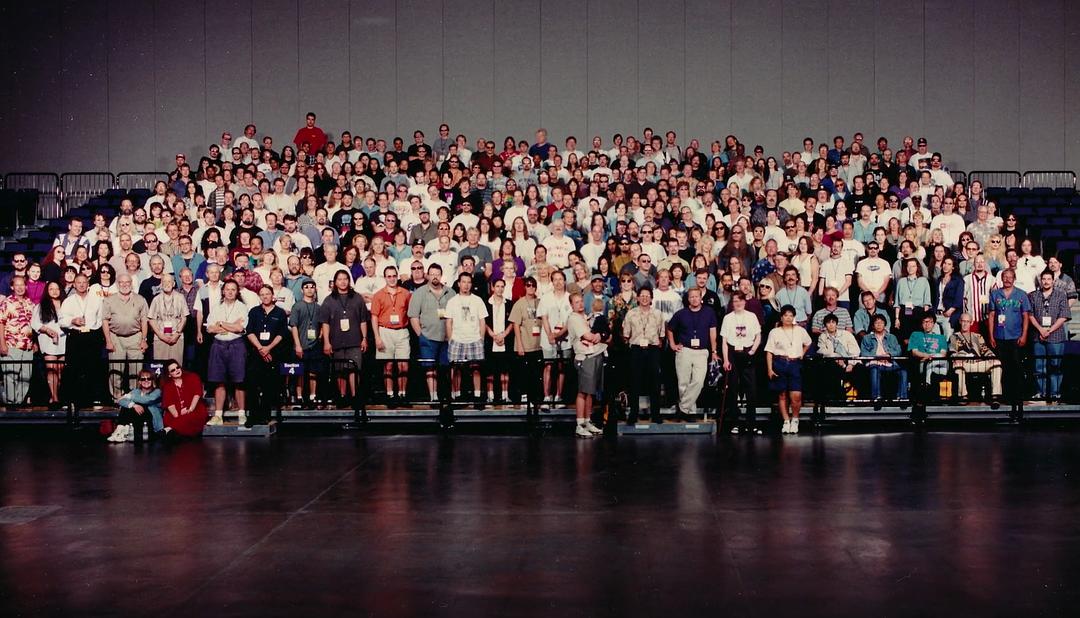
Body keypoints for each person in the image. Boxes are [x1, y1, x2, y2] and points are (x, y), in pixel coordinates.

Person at [666, 287, 718, 422]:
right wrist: (672, 344)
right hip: (685, 350)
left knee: (698, 382)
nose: (694, 299)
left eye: (697, 296)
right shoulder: (681, 314)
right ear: (688, 299)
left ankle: (682, 409)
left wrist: (714, 351)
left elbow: (713, 333)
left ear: (701, 297)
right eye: (691, 297)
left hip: (702, 351)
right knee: (683, 383)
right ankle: (690, 412)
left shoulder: (709, 312)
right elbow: (670, 329)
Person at [320, 270, 370, 404]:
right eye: (339, 279)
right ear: (335, 283)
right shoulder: (329, 300)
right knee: (340, 370)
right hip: (336, 340)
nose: (342, 282)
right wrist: (326, 342)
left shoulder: (357, 298)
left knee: (354, 369)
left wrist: (364, 338)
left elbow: (363, 320)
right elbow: (325, 323)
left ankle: (354, 397)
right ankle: (342, 396)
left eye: (345, 279)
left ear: (349, 281)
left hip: (354, 339)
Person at [408, 264, 455, 402]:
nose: (435, 277)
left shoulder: (450, 292)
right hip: (428, 337)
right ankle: (433, 396)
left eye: (437, 274)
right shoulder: (419, 293)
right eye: (432, 274)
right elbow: (413, 317)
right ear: (427, 275)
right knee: (430, 368)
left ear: (441, 276)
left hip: (447, 338)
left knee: (448, 368)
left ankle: (451, 395)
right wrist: (420, 335)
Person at [58, 274, 107, 407]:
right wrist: (72, 321)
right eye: (78, 282)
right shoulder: (68, 301)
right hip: (75, 336)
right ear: (74, 284)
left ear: (88, 284)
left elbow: (100, 318)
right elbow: (61, 321)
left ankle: (93, 399)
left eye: (84, 282)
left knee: (93, 367)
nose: (81, 285)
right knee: (73, 368)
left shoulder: (96, 300)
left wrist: (94, 329)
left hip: (92, 336)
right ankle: (70, 400)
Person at [206, 279, 249, 426]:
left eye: (233, 289)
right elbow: (210, 328)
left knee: (239, 381)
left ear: (237, 292)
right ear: (223, 291)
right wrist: (231, 325)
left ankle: (242, 414)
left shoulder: (242, 307)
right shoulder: (216, 308)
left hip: (236, 345)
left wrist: (221, 323)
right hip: (218, 345)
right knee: (219, 382)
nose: (230, 292)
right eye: (227, 289)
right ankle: (218, 415)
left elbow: (240, 328)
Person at [987, 268, 1031, 408]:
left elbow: (1025, 316)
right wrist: (991, 336)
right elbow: (992, 316)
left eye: (1010, 277)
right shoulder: (995, 294)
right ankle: (1005, 396)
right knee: (1003, 367)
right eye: (1004, 276)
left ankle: (1017, 396)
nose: (1007, 279)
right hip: (1000, 336)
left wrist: (1024, 335)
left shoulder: (1022, 295)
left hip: (1016, 336)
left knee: (1016, 367)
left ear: (1014, 278)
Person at [765, 305, 811, 434]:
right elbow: (769, 352)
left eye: (791, 315)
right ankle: (786, 421)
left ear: (794, 317)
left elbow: (808, 342)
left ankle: (795, 419)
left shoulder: (800, 330)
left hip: (795, 363)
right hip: (779, 362)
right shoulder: (775, 332)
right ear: (781, 317)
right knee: (782, 394)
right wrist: (769, 369)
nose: (788, 318)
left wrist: (802, 353)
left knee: (796, 395)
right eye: (786, 315)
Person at [101, 273, 150, 399]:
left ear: (131, 284)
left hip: (135, 336)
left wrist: (144, 339)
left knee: (137, 370)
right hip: (115, 337)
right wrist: (108, 340)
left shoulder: (140, 299)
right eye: (121, 282)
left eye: (127, 282)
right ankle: (117, 397)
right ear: (117, 284)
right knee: (116, 371)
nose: (124, 285)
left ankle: (136, 397)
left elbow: (144, 320)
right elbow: (105, 321)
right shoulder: (109, 300)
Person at [246, 285, 289, 425]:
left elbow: (282, 334)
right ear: (259, 296)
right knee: (252, 385)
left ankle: (265, 415)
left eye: (267, 294)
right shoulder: (254, 312)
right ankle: (252, 416)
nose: (265, 296)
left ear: (272, 296)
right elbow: (250, 331)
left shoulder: (280, 313)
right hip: (256, 353)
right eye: (262, 294)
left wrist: (268, 348)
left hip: (273, 353)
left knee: (269, 386)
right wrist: (260, 348)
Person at [622, 287, 665, 425]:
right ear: (638, 298)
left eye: (648, 296)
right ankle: (633, 413)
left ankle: (656, 414)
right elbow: (626, 335)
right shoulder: (631, 313)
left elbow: (661, 335)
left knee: (655, 383)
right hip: (636, 350)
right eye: (642, 295)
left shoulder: (658, 314)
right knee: (635, 382)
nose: (645, 298)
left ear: (651, 298)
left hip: (653, 350)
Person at [720, 291, 762, 434]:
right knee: (732, 390)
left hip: (747, 352)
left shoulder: (751, 317)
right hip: (733, 354)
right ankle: (735, 423)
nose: (738, 303)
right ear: (732, 303)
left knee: (751, 391)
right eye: (735, 301)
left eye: (740, 300)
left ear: (745, 302)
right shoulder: (727, 318)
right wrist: (726, 360)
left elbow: (758, 336)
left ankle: (752, 424)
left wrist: (752, 351)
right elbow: (724, 341)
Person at [566, 292, 607, 437]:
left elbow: (601, 335)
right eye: (576, 302)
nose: (580, 304)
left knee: (591, 391)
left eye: (581, 301)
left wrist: (601, 335)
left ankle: (588, 421)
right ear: (571, 305)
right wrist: (599, 336)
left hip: (595, 354)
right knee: (583, 391)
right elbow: (589, 336)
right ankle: (580, 424)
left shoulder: (587, 316)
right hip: (584, 357)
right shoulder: (574, 319)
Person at [370, 265, 412, 403]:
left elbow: (410, 313)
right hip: (385, 331)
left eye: (394, 276)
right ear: (385, 278)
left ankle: (402, 393)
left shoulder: (406, 293)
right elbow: (374, 317)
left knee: (403, 364)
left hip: (402, 331)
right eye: (389, 276)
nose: (392, 279)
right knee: (387, 365)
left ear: (397, 276)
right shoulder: (378, 295)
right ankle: (389, 394)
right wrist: (377, 337)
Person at [445, 271, 488, 401]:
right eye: (463, 282)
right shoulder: (452, 301)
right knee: (455, 369)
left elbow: (482, 321)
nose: (466, 285)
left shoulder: (477, 300)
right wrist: (450, 339)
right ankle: (456, 395)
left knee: (476, 369)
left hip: (474, 339)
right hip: (457, 339)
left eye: (469, 282)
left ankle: (477, 395)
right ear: (458, 284)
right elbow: (448, 322)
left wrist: (481, 339)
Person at [1027, 270, 1069, 401]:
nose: (1046, 281)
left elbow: (1064, 316)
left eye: (1048, 279)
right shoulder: (1033, 296)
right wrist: (1040, 330)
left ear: (1053, 280)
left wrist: (1049, 330)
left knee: (1055, 365)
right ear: (1040, 280)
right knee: (1039, 365)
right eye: (1043, 279)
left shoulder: (1061, 295)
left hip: (1056, 336)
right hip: (1038, 336)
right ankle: (1041, 392)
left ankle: (1055, 393)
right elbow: (1030, 315)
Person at [950, 313, 1002, 403]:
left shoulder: (978, 336)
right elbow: (953, 351)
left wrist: (992, 357)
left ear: (971, 323)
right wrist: (956, 358)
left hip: (978, 362)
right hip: (964, 363)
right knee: (957, 367)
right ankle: (963, 396)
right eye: (963, 321)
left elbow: (985, 349)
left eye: (967, 321)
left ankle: (995, 396)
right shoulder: (954, 336)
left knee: (997, 363)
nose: (965, 324)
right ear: (960, 322)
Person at [859, 314, 909, 409]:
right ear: (873, 325)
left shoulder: (892, 337)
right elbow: (864, 353)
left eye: (881, 323)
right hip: (874, 363)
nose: (879, 325)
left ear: (885, 325)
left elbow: (898, 350)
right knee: (874, 369)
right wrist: (877, 357)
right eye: (876, 323)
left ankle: (902, 398)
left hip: (889, 363)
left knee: (903, 371)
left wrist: (888, 355)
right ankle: (876, 398)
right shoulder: (867, 338)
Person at [510, 277, 543, 411]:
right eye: (528, 285)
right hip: (524, 344)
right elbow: (516, 325)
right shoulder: (519, 303)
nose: (531, 287)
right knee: (523, 374)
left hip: (537, 344)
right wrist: (520, 345)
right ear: (525, 287)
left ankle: (534, 398)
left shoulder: (540, 302)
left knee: (536, 375)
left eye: (533, 285)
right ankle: (523, 397)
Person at [0, 276, 35, 405]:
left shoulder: (30, 303)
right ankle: (10, 403)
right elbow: (1, 323)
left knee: (25, 377)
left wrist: (34, 343)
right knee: (10, 376)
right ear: (12, 287)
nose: (20, 288)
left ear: (26, 287)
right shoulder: (6, 303)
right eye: (17, 285)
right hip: (11, 345)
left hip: (27, 346)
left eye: (22, 285)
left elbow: (33, 325)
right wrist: (2, 344)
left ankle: (19, 402)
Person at [288, 280, 324, 404]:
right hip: (301, 344)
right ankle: (299, 396)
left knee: (314, 372)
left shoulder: (318, 307)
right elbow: (293, 326)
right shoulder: (297, 306)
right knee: (300, 372)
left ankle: (312, 396)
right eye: (306, 287)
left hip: (314, 344)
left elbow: (323, 324)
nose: (309, 289)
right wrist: (297, 345)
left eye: (312, 287)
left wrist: (320, 335)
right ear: (302, 290)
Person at [32, 282, 67, 406]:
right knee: (51, 369)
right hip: (48, 341)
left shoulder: (66, 304)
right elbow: (35, 324)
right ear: (47, 291)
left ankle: (58, 394)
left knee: (61, 370)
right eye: (51, 289)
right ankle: (54, 397)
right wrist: (47, 330)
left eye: (57, 288)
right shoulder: (40, 306)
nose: (54, 291)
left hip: (64, 341)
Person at [105, 369, 164, 443]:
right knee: (128, 406)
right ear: (139, 381)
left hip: (150, 422)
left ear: (152, 381)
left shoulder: (157, 391)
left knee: (140, 404)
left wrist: (128, 396)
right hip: (137, 419)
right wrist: (134, 405)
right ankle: (120, 430)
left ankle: (123, 431)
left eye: (149, 378)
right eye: (143, 379)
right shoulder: (136, 391)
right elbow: (121, 401)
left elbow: (147, 400)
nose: (146, 381)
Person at [160, 359, 210, 438]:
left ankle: (169, 429)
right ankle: (174, 432)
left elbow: (197, 394)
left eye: (177, 367)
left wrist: (190, 409)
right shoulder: (167, 386)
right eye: (173, 370)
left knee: (191, 417)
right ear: (169, 374)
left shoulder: (193, 377)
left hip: (194, 409)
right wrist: (179, 414)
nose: (177, 370)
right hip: (176, 413)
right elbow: (170, 405)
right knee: (171, 419)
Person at [483, 278, 514, 403]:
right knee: (490, 369)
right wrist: (493, 335)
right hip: (491, 340)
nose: (500, 289)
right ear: (492, 287)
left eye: (502, 286)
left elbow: (512, 321)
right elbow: (483, 321)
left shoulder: (509, 304)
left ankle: (505, 395)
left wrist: (503, 335)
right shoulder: (486, 303)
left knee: (505, 369)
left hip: (505, 339)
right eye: (497, 286)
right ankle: (490, 396)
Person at [147, 273, 189, 365]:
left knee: (176, 365)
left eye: (169, 281)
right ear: (161, 284)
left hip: (176, 337)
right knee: (160, 366)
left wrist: (177, 334)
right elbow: (151, 319)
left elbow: (184, 317)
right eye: (164, 281)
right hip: (160, 337)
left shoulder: (180, 297)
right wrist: (161, 335)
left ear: (173, 284)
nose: (167, 284)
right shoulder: (156, 299)